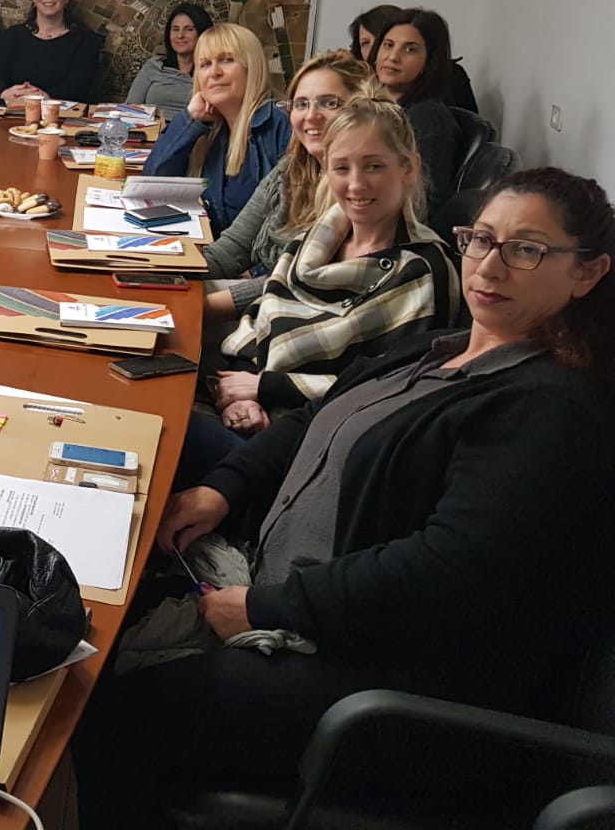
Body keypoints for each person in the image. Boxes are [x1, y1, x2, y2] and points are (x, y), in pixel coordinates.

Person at [73, 168, 615, 824]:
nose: (490, 265)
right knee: (91, 619)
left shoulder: (548, 411)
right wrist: (223, 488)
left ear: (587, 273)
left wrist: (266, 607)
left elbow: (445, 573)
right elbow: (313, 418)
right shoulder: (441, 348)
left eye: (526, 250)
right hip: (298, 605)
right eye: (481, 239)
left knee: (99, 710)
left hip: (387, 688)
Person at [181, 97, 461, 480]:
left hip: (313, 448)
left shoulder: (423, 271)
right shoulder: (315, 240)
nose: (356, 184)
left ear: (408, 168)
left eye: (374, 166)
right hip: (249, 408)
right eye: (342, 167)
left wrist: (266, 389)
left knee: (164, 435)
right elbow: (262, 322)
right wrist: (234, 395)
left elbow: (386, 390)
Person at [202, 52, 378, 320]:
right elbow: (233, 247)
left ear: (359, 108)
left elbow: (300, 286)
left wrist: (199, 308)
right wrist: (165, 275)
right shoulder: (290, 168)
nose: (311, 115)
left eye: (329, 103)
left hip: (298, 317)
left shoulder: (362, 190)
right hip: (264, 301)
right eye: (301, 104)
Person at [144, 22, 291, 236]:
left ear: (252, 66)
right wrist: (190, 119)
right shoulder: (210, 128)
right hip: (209, 250)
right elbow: (153, 186)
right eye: (204, 64)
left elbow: (293, 222)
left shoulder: (282, 125)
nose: (214, 72)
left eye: (227, 60)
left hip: (250, 258)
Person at [371, 8, 461, 208]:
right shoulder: (371, 106)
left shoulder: (428, 117)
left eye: (410, 49)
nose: (393, 57)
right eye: (388, 45)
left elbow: (427, 199)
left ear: (429, 61)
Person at [0, 0, 104, 105]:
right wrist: (5, 94)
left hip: (61, 115)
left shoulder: (86, 40)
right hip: (13, 112)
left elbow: (79, 87)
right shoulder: (11, 36)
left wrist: (43, 98)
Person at [126, 3, 213, 117]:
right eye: (175, 29)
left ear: (202, 34)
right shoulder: (154, 66)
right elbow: (130, 108)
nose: (180, 35)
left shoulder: (212, 72)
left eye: (189, 29)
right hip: (149, 126)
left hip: (192, 127)